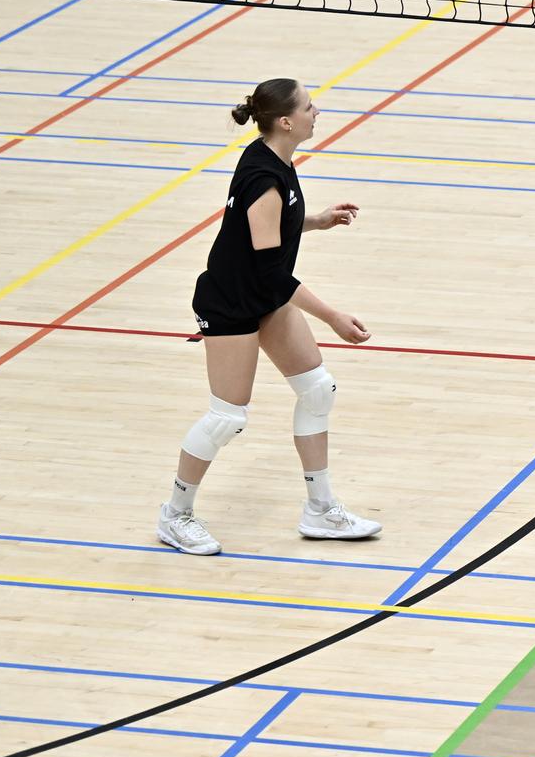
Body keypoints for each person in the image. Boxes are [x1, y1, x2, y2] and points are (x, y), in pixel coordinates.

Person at [158, 78, 379, 557]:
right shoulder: (263, 179)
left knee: (317, 389)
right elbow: (273, 273)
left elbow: (270, 230)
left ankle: (320, 510)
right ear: (286, 121)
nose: (316, 111)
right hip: (233, 303)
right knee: (227, 418)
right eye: (308, 106)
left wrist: (316, 220)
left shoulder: (274, 158)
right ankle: (175, 516)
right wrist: (333, 316)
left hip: (262, 294)